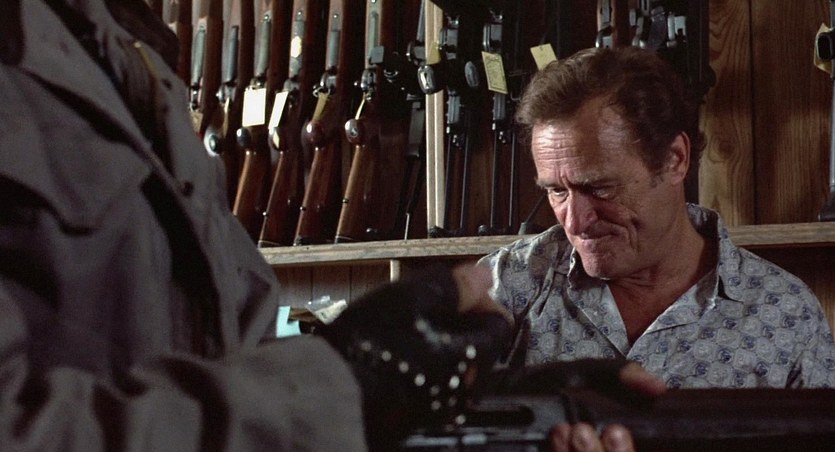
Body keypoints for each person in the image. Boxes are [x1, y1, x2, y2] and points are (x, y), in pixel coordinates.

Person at [0, 1, 657, 451]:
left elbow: (213, 361)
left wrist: (499, 408)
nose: (575, 215)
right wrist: (342, 385)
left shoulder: (111, 41)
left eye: (599, 188)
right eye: (557, 191)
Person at [482, 45, 835, 389]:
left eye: (600, 188)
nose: (574, 222)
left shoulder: (786, 312)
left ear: (674, 160)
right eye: (557, 191)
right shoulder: (508, 287)